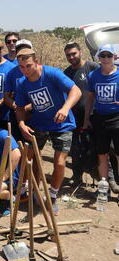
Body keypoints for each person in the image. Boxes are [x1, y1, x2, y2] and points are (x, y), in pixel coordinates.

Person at [15, 47, 82, 215]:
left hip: (62, 124)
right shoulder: (22, 83)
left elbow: (76, 90)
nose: (25, 70)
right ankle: (23, 190)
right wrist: (22, 124)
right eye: (21, 67)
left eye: (28, 65)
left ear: (36, 62)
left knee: (59, 162)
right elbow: (20, 108)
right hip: (40, 124)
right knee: (27, 157)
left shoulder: (52, 74)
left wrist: (66, 108)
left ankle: (52, 196)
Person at [63, 42, 100, 185]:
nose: (71, 57)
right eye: (68, 55)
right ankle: (76, 176)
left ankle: (103, 179)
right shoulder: (66, 73)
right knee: (75, 149)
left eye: (74, 53)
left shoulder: (93, 68)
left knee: (97, 148)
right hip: (74, 117)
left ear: (80, 52)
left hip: (94, 116)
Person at [84, 44, 119, 194]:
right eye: (102, 56)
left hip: (117, 118)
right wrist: (87, 118)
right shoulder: (93, 76)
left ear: (115, 57)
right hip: (99, 118)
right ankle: (104, 188)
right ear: (98, 58)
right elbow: (90, 98)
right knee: (102, 153)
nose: (105, 59)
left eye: (108, 55)